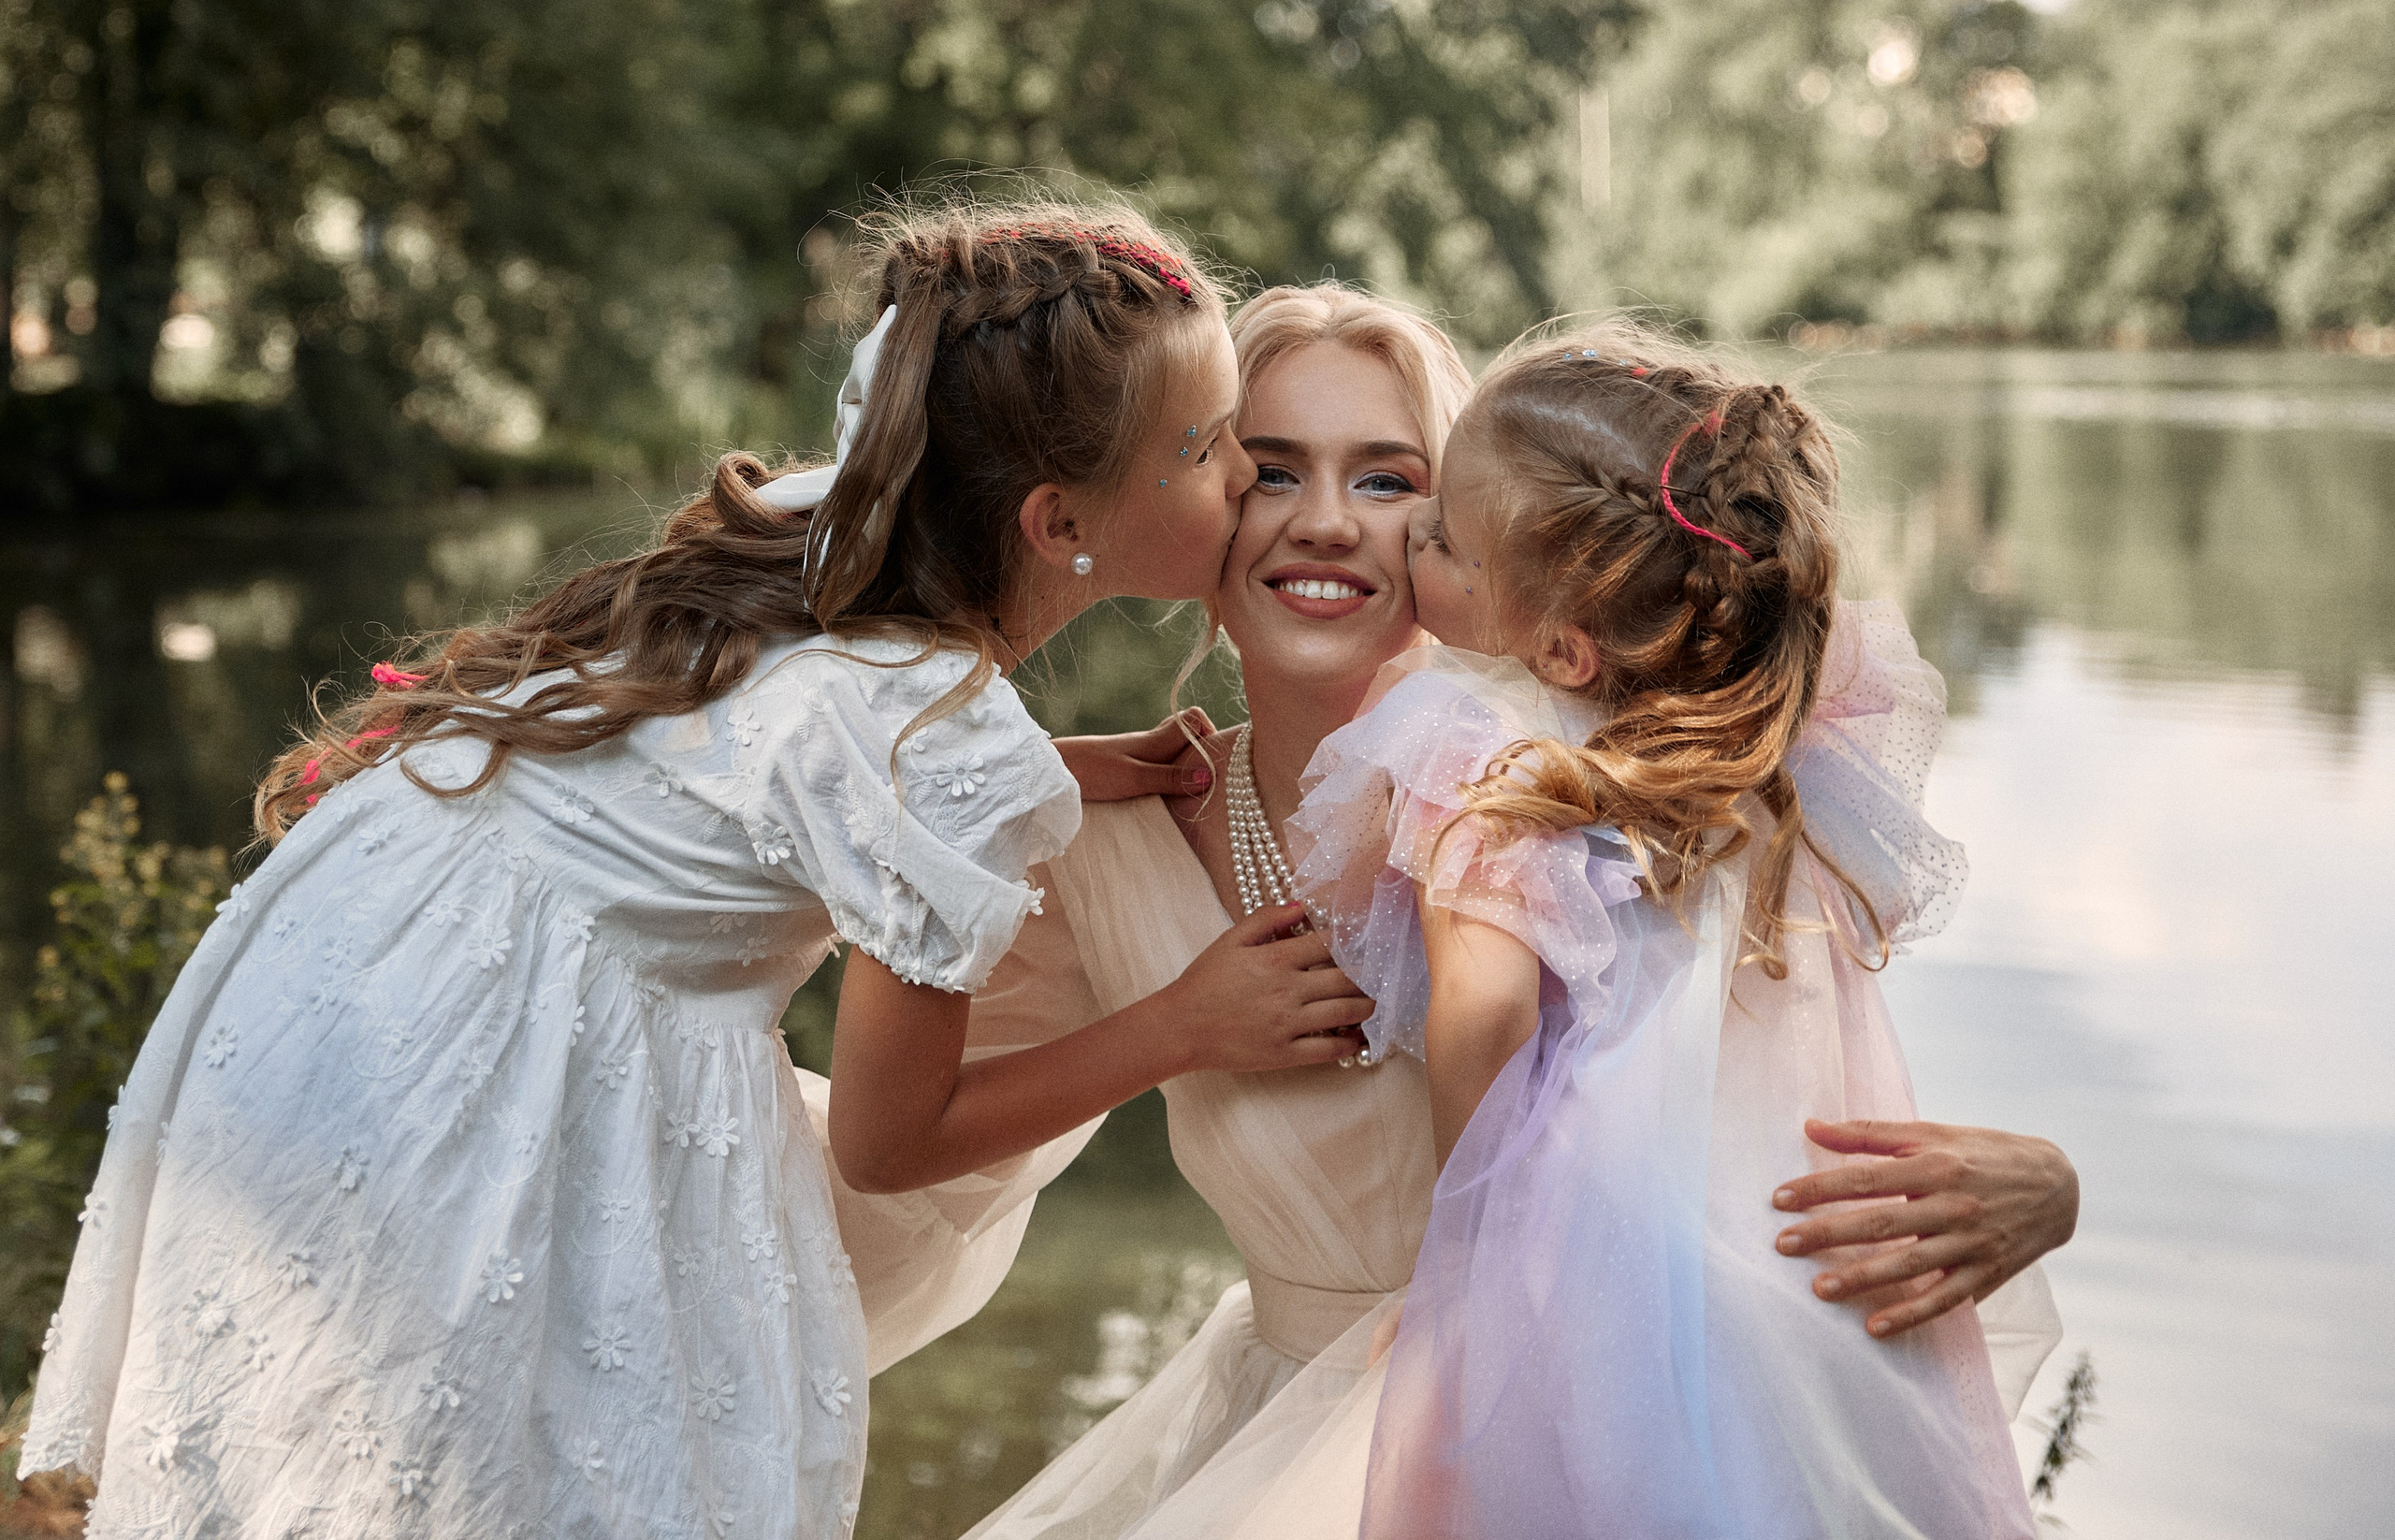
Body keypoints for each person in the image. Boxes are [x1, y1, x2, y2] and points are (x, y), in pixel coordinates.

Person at [18, 204, 1369, 1539]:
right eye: (1208, 448)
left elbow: (753, 750)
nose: (1243, 474)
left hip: (377, 954)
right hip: (504, 1049)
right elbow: (891, 1143)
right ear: (1058, 519)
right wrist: (1182, 1022)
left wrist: (1052, 774)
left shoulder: (845, 524)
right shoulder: (943, 743)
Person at [948, 285, 2071, 1540]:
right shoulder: (1100, 830)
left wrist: (2050, 1188)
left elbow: (1767, 1114)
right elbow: (911, 1138)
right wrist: (1170, 1026)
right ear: (1200, 501)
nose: (1329, 522)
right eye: (1271, 472)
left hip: (1594, 1429)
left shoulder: (1608, 786)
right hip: (1281, 1451)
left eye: (1392, 484)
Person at [1294, 323, 2034, 1536]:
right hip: (1759, 1239)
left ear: (1562, 645)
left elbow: (1486, 1020)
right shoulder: (1755, 744)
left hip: (1578, 1247)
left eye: (1450, 543)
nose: (1413, 532)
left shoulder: (1471, 748)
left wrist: (1463, 1265)